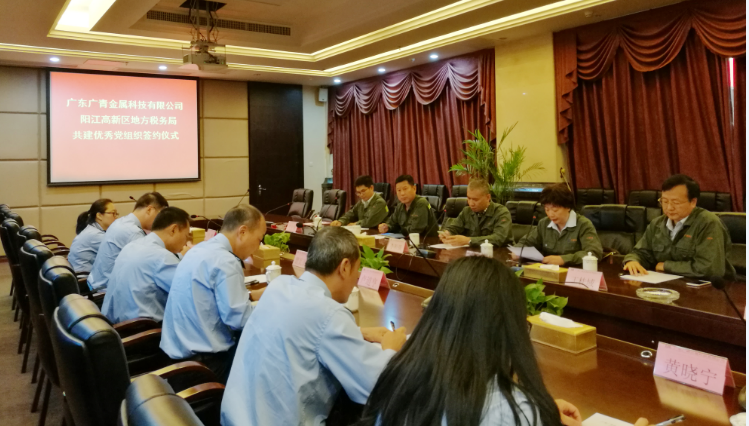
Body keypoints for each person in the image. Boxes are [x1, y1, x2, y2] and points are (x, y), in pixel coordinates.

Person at [357, 257, 649, 426]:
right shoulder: (511, 410)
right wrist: (532, 411)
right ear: (507, 328)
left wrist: (542, 410)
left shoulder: (400, 372)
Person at [221, 227, 408, 426]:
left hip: (232, 418)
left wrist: (359, 332)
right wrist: (391, 349)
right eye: (358, 269)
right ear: (345, 267)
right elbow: (374, 384)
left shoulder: (279, 285)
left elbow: (304, 329)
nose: (357, 277)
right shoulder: (329, 313)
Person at [160, 205, 267, 384]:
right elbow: (239, 319)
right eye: (259, 239)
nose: (258, 247)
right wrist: (272, 307)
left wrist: (249, 296)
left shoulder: (199, 250)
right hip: (203, 368)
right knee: (265, 359)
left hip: (176, 360)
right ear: (242, 232)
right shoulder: (226, 261)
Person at [623, 174, 735, 279]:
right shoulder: (657, 224)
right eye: (664, 201)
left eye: (675, 202)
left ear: (693, 202)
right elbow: (641, 253)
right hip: (668, 284)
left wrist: (665, 266)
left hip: (709, 288)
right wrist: (633, 260)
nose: (669, 208)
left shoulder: (708, 223)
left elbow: (710, 268)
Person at [101, 207, 191, 323]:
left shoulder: (133, 245)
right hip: (141, 328)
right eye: (186, 236)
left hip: (114, 322)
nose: (186, 242)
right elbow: (189, 293)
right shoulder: (162, 257)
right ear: (173, 229)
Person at [86, 192, 169, 291]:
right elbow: (151, 265)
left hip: (97, 284)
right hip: (105, 290)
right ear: (149, 210)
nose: (160, 221)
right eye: (159, 215)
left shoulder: (121, 222)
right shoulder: (133, 232)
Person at [513, 184, 602, 266]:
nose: (550, 214)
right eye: (547, 209)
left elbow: (594, 253)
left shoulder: (583, 224)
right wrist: (518, 251)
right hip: (548, 271)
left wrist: (564, 259)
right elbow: (526, 242)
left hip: (574, 272)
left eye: (555, 210)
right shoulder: (544, 223)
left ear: (568, 207)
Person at [440, 179, 512, 247]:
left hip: (499, 253)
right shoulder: (466, 211)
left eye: (475, 199)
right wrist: (447, 233)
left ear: (488, 197)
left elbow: (499, 238)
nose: (471, 203)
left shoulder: (501, 212)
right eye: (469, 198)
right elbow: (454, 228)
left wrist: (469, 240)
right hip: (473, 253)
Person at [67, 199, 117, 273]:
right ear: (99, 215)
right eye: (113, 213)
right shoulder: (95, 235)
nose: (116, 217)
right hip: (84, 278)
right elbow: (118, 254)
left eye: (116, 213)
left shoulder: (92, 230)